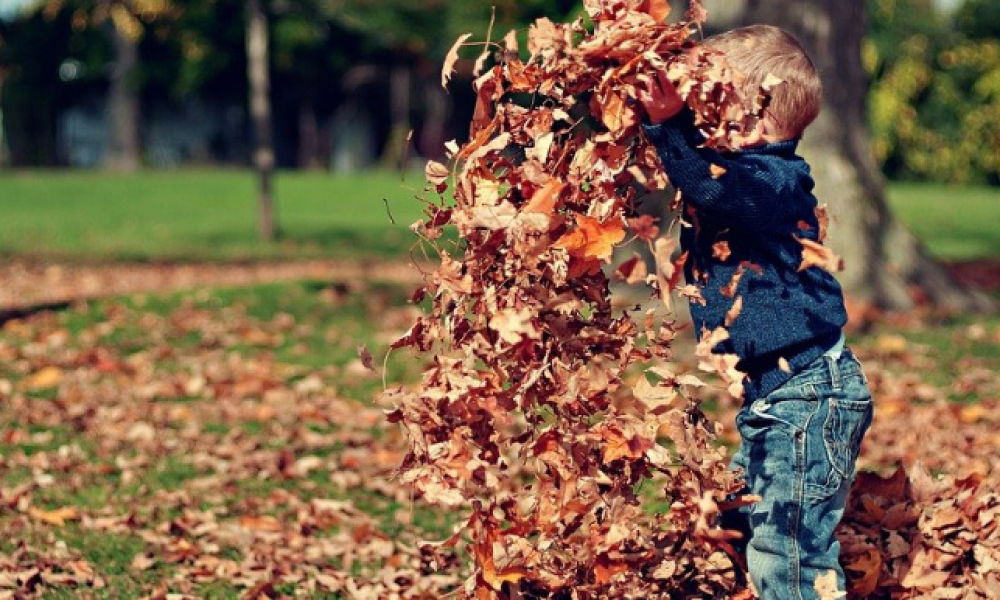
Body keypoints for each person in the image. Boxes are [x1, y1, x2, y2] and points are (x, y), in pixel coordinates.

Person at [637, 25, 874, 599]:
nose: (698, 117)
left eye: (712, 104)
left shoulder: (774, 181)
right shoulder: (747, 174)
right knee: (742, 517)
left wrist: (668, 127)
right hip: (777, 398)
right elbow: (704, 173)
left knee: (788, 553)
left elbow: (713, 188)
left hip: (808, 399)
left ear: (757, 121)